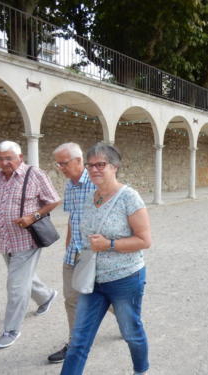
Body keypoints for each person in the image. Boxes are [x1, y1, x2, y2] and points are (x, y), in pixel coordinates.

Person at [61, 142, 151, 375]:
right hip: (93, 282)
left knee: (131, 332)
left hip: (125, 278)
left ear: (115, 166)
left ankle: (140, 370)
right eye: (90, 166)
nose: (94, 170)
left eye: (100, 164)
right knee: (79, 340)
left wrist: (109, 244)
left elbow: (144, 240)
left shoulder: (129, 197)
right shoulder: (90, 199)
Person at [0, 140, 60, 348]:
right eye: (1, 159)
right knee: (22, 278)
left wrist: (33, 216)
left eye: (9, 158)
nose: (4, 163)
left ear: (20, 158)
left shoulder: (34, 174)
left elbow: (54, 200)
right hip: (5, 240)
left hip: (27, 239)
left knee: (15, 285)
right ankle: (47, 296)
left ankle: (11, 329)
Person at [48, 143, 97, 363]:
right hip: (73, 253)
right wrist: (68, 247)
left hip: (95, 254)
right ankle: (75, 344)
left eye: (64, 163)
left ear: (78, 161)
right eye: (58, 163)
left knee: (107, 297)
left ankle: (129, 322)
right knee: (71, 300)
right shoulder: (69, 185)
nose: (60, 167)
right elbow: (72, 218)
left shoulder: (98, 183)